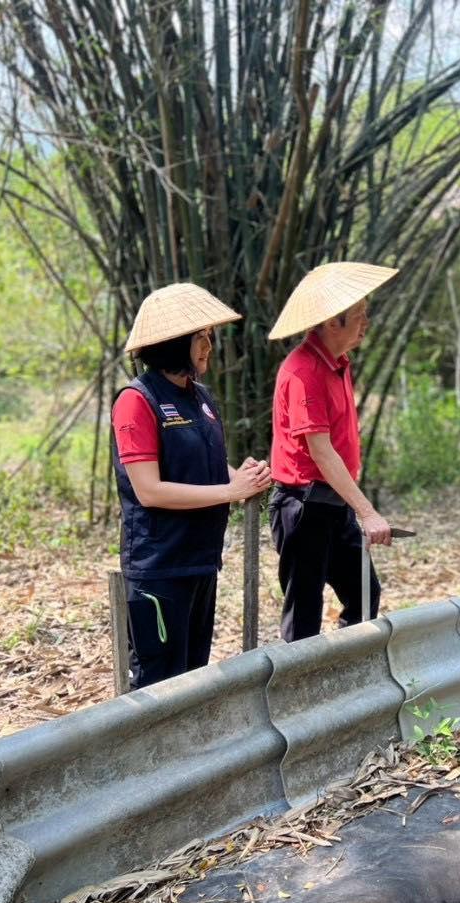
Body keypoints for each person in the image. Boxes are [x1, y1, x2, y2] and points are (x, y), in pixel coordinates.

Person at [112, 284, 272, 688]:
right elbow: (149, 489)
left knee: (192, 678)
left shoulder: (200, 397)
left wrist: (243, 478)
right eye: (201, 337)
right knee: (160, 683)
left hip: (201, 559)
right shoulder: (136, 401)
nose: (209, 346)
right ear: (173, 342)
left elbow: (211, 466)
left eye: (210, 337)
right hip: (160, 566)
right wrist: (228, 493)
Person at [267, 261, 398, 644]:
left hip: (335, 502)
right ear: (329, 323)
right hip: (304, 505)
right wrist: (368, 511)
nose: (365, 324)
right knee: (304, 610)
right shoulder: (303, 371)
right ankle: (298, 691)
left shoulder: (339, 364)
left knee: (364, 594)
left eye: (365, 314)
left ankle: (341, 677)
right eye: (358, 316)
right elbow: (321, 453)